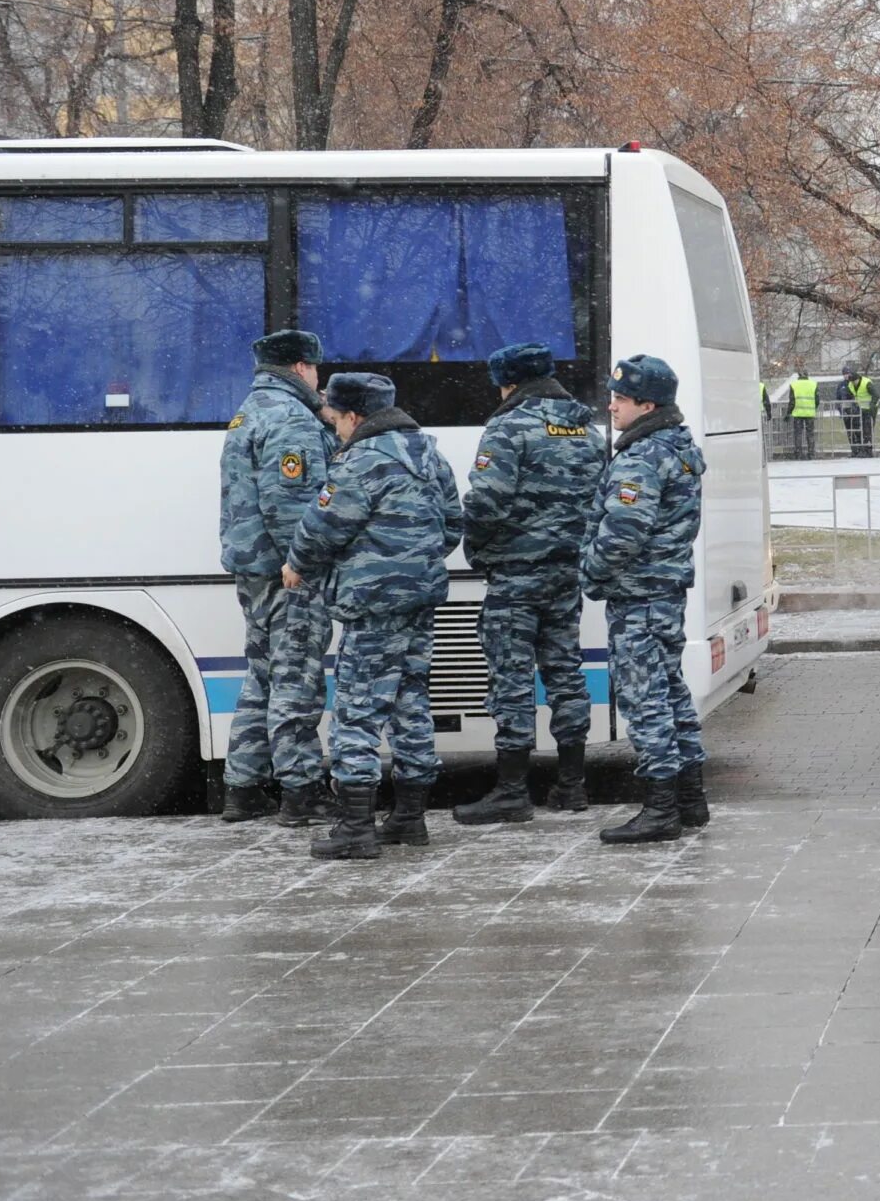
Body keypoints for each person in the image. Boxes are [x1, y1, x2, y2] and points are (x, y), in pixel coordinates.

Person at [286, 373, 463, 860]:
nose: (335, 429)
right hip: (420, 598)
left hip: (372, 604)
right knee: (410, 702)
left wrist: (297, 564)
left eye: (337, 419)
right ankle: (410, 816)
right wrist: (411, 560)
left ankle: (356, 827)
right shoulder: (430, 454)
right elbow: (453, 525)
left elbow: (321, 529)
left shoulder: (359, 463)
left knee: (357, 710)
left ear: (356, 415)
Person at [453, 342, 599, 825]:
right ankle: (573, 785)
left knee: (512, 681)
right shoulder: (586, 426)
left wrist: (474, 543)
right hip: (566, 572)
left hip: (516, 575)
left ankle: (513, 790)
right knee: (565, 673)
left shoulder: (508, 426)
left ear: (508, 383)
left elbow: (487, 502)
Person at [584, 354, 708, 844]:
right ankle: (690, 799)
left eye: (620, 399)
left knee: (644, 698)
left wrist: (592, 572)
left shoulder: (641, 456)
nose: (611, 406)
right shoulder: (675, 447)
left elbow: (623, 532)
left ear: (647, 404)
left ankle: (661, 809)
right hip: (663, 591)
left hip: (638, 594)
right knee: (671, 692)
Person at [216, 329, 337, 825]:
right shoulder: (291, 419)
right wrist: (303, 564)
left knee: (263, 673)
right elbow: (292, 507)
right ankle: (301, 789)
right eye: (316, 369)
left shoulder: (251, 411)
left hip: (254, 568)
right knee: (296, 677)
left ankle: (241, 789)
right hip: (287, 572)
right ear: (303, 367)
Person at [783, 366, 817, 459]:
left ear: (798, 375)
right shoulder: (813, 384)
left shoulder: (794, 385)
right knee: (810, 434)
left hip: (798, 414)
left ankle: (798, 454)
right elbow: (817, 399)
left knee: (798, 434)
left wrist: (788, 413)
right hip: (810, 414)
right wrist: (813, 408)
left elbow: (792, 401)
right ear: (807, 375)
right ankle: (811, 454)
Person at [843, 364, 876, 459]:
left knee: (867, 430)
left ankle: (868, 451)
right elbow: (849, 395)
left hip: (869, 410)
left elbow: (876, 395)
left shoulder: (866, 383)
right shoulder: (851, 384)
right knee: (861, 431)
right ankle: (863, 450)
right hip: (861, 409)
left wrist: (872, 406)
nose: (852, 384)